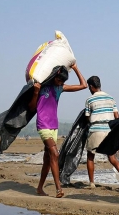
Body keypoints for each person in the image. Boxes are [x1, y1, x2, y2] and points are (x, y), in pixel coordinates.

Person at [28, 64, 87, 198]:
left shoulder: (60, 88)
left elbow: (83, 85)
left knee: (48, 159)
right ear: (54, 76)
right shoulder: (41, 87)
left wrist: (76, 68)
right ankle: (58, 188)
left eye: (62, 81)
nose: (60, 82)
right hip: (43, 125)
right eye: (59, 79)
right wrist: (36, 92)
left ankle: (39, 188)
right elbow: (31, 108)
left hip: (54, 126)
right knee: (55, 154)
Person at [83, 76, 119, 190]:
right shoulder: (110, 98)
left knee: (90, 156)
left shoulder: (90, 100)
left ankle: (92, 183)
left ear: (91, 87)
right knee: (112, 157)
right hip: (108, 130)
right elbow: (117, 116)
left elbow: (87, 118)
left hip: (96, 130)